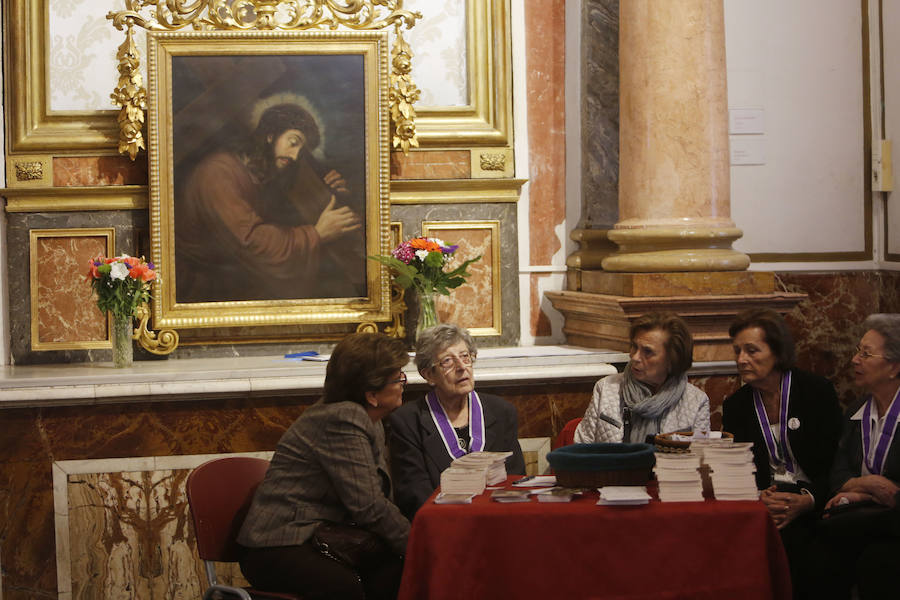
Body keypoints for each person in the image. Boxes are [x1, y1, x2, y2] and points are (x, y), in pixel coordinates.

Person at [237, 332, 411, 600]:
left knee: (396, 571)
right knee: (345, 587)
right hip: (277, 544)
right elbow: (369, 506)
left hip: (317, 537)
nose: (403, 384)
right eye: (398, 378)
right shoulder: (343, 418)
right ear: (372, 394)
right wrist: (416, 544)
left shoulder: (368, 418)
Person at [175, 102, 362, 303]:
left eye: (301, 150)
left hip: (233, 274)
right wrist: (317, 234)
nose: (294, 156)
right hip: (202, 285)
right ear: (271, 134)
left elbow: (284, 220)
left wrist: (336, 191)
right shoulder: (218, 173)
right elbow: (252, 240)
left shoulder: (260, 175)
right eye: (293, 142)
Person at [721, 309, 842, 598]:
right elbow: (737, 470)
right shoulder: (736, 405)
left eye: (752, 350)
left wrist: (808, 501)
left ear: (777, 351)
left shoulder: (816, 392)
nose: (741, 359)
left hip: (817, 502)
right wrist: (759, 496)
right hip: (766, 504)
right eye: (737, 351)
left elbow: (838, 463)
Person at [388, 324, 526, 518]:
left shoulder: (501, 412)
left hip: (497, 523)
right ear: (428, 375)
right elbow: (414, 496)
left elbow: (515, 480)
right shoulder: (408, 421)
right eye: (447, 361)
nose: (462, 367)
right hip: (443, 527)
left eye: (465, 357)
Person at [812, 313, 900, 599]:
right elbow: (838, 475)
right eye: (857, 351)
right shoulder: (855, 410)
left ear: (894, 367)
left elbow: (894, 492)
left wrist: (859, 492)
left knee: (878, 563)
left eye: (866, 353)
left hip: (892, 526)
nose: (854, 360)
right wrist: (867, 487)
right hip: (861, 520)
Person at [574, 311, 710, 444]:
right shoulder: (606, 389)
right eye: (634, 347)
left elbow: (700, 459)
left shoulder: (696, 402)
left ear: (672, 360)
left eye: (648, 351)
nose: (635, 357)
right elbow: (581, 448)